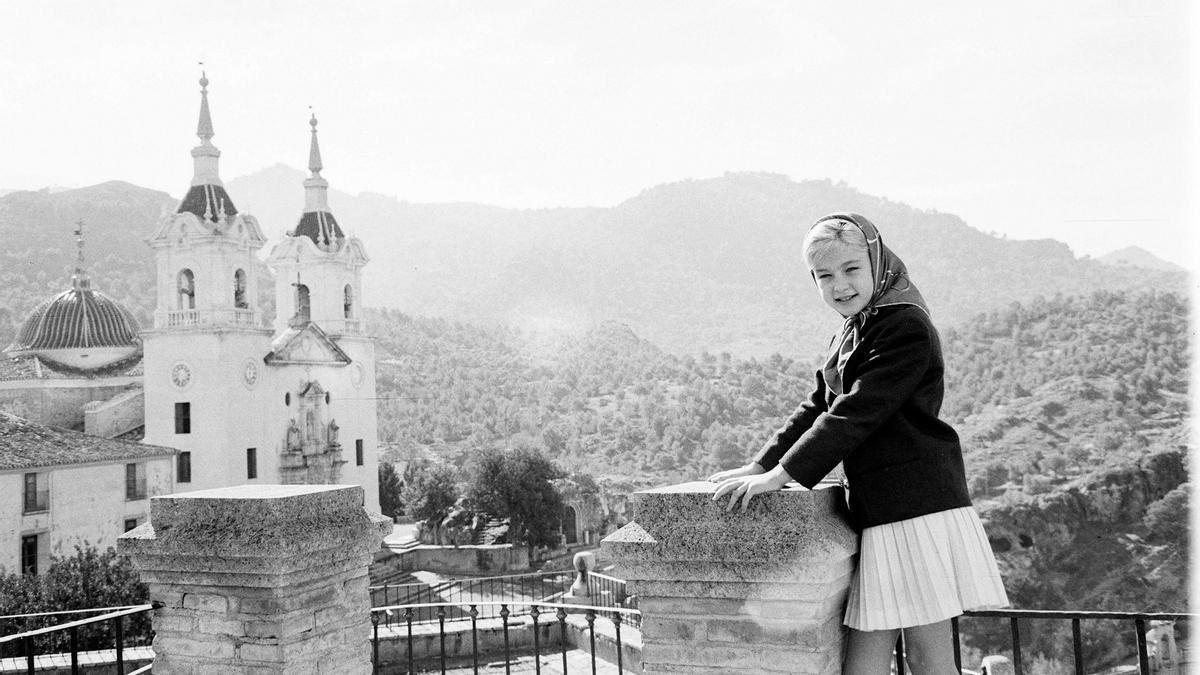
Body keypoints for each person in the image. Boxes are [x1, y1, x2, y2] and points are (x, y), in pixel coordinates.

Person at [710, 213, 1008, 675]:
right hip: (886, 510)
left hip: (916, 509)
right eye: (824, 275)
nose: (839, 285)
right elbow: (819, 405)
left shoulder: (903, 326)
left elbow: (855, 411)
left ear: (876, 263)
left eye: (851, 269)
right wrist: (761, 465)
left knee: (925, 660)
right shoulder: (855, 329)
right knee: (881, 657)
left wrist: (783, 476)